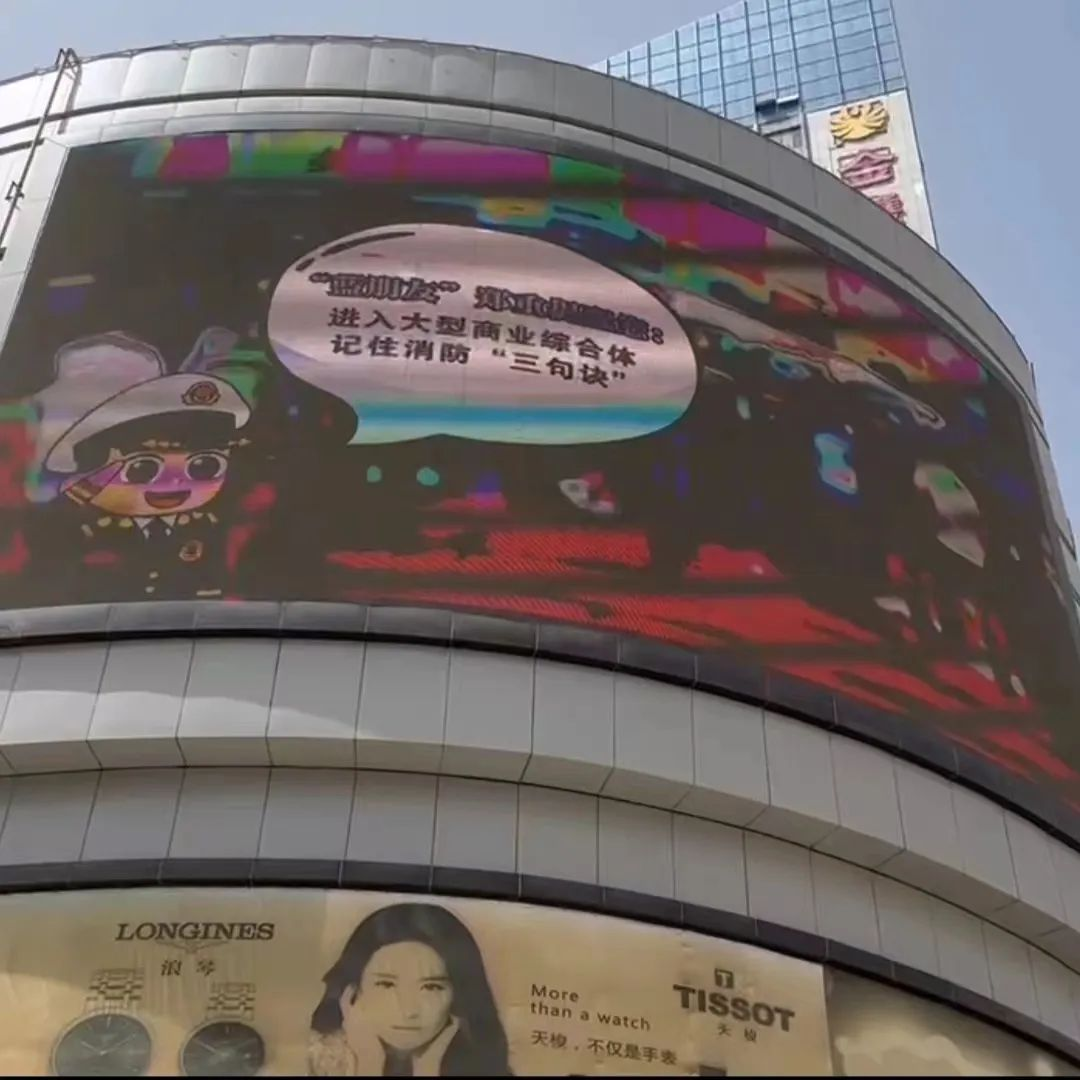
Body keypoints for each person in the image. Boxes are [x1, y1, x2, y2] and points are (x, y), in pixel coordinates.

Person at [309, 903, 512, 1077]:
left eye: (431, 987)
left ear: (458, 995)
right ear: (353, 992)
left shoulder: (484, 1065)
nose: (409, 1011)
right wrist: (369, 1064)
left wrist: (428, 1070)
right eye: (386, 985)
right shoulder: (320, 1061)